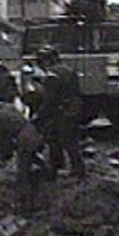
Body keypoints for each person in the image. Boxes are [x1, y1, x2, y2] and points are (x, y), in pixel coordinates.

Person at [33, 45, 85, 180]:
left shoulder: (52, 75)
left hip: (60, 112)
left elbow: (50, 99)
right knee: (68, 140)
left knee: (58, 140)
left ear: (47, 61)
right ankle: (66, 168)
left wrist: (39, 116)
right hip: (73, 109)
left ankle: (70, 170)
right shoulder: (69, 71)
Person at [0, 100, 48, 213]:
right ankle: (47, 172)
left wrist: (4, 157)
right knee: (30, 155)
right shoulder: (9, 107)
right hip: (33, 131)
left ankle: (27, 206)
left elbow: (4, 141)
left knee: (23, 174)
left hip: (24, 138)